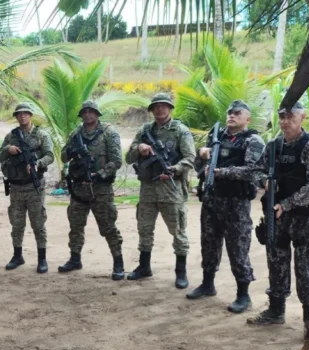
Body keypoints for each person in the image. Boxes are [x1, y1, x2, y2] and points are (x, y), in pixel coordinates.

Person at [214, 102, 309, 329]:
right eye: (281, 116)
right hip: (277, 216)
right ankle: (275, 310)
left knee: (305, 268)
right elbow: (255, 170)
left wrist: (287, 204)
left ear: (302, 117)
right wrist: (229, 173)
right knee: (276, 262)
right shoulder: (274, 146)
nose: (285, 121)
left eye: (290, 116)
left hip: (304, 217)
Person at [187, 101, 265, 313]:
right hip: (212, 199)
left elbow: (254, 171)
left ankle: (243, 294)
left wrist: (223, 172)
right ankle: (207, 284)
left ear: (247, 119)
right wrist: (201, 155)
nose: (231, 115)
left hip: (236, 203)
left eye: (237, 113)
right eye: (229, 112)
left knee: (238, 248)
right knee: (209, 243)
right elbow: (198, 167)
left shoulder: (253, 140)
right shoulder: (216, 138)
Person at [125, 93, 196, 288]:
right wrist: (139, 147)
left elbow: (190, 158)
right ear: (152, 110)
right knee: (144, 228)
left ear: (170, 108)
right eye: (156, 106)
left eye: (164, 106)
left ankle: (180, 272)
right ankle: (144, 266)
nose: (160, 109)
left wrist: (175, 169)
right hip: (148, 189)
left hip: (171, 190)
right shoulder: (145, 130)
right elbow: (128, 158)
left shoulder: (180, 130)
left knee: (178, 231)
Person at [57, 101, 124, 278]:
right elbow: (63, 156)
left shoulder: (108, 132)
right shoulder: (76, 133)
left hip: (101, 189)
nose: (88, 114)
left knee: (108, 226)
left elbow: (117, 160)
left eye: (91, 111)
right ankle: (75, 258)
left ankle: (118, 262)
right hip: (79, 188)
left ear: (97, 113)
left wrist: (100, 174)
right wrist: (72, 151)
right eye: (84, 112)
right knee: (76, 225)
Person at [0, 104, 54, 273]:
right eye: (19, 114)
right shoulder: (11, 136)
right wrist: (8, 149)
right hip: (16, 187)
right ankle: (17, 256)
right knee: (17, 223)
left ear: (30, 115)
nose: (22, 116)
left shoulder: (41, 135)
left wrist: (38, 163)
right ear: (16, 117)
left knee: (38, 222)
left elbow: (50, 155)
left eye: (25, 114)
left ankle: (42, 258)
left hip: (34, 186)